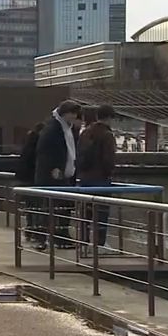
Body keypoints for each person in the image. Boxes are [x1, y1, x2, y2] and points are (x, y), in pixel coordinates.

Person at [34, 100, 82, 249]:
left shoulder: (67, 128)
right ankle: (44, 237)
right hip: (53, 175)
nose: (73, 117)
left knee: (62, 207)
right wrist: (53, 167)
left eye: (75, 114)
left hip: (65, 174)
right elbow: (45, 151)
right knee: (50, 207)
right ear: (64, 114)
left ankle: (60, 236)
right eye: (71, 114)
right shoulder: (54, 128)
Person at [77, 104, 117, 249]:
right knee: (101, 213)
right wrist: (109, 172)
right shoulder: (107, 135)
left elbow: (79, 155)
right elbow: (108, 159)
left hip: (85, 179)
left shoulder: (85, 132)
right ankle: (99, 243)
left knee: (86, 212)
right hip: (101, 180)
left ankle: (83, 240)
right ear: (110, 118)